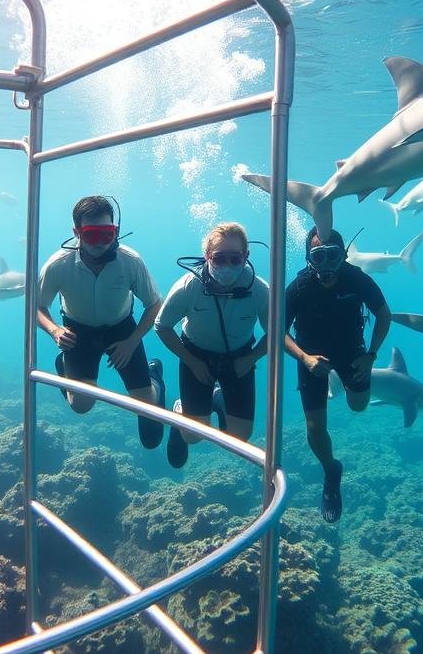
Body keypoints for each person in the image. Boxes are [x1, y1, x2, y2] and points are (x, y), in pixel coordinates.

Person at [36, 195, 166, 448]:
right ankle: (64, 365)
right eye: (91, 235)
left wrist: (131, 342)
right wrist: (54, 331)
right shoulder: (58, 265)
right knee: (81, 407)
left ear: (115, 230)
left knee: (146, 405)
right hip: (77, 332)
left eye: (107, 234)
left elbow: (154, 304)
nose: (100, 243)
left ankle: (154, 377)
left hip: (121, 330)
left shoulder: (130, 262)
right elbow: (39, 307)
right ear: (76, 232)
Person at [284, 227, 391, 522]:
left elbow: (384, 314)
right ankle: (331, 471)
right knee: (315, 427)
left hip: (353, 354)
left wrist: (371, 355)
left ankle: (343, 383)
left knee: (358, 406)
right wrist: (304, 358)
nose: (327, 265)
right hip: (311, 358)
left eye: (333, 256)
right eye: (319, 257)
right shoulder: (298, 288)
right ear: (309, 259)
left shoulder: (357, 279)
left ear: (344, 256)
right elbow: (276, 332)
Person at [155, 222, 270, 468]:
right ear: (207, 256)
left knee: (239, 438)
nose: (227, 266)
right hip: (196, 356)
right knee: (193, 436)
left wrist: (250, 359)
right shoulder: (188, 287)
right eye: (219, 259)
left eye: (235, 259)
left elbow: (276, 332)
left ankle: (217, 398)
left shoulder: (259, 291)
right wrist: (192, 362)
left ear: (246, 257)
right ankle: (180, 411)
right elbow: (162, 326)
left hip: (240, 359)